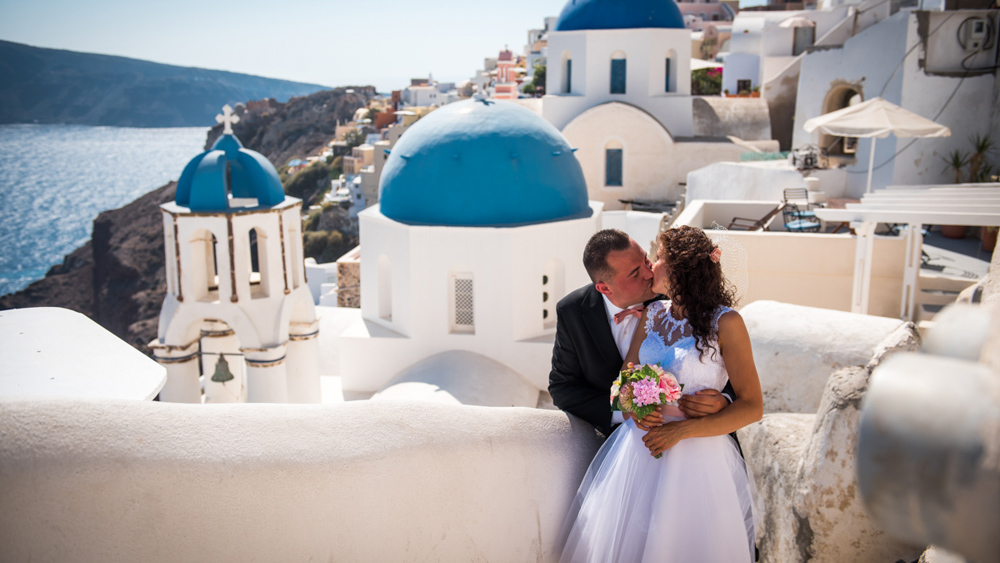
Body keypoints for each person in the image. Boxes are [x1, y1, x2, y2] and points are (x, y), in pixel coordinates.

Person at [558, 226, 764, 562]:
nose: (651, 267)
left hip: (699, 457)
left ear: (681, 269)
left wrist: (683, 430)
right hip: (637, 453)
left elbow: (753, 406)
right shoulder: (653, 314)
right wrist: (634, 409)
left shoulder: (727, 323)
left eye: (658, 258)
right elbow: (622, 382)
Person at [548, 229, 732, 437]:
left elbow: (727, 373)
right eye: (635, 273)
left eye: (646, 260)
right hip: (627, 446)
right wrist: (624, 411)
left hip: (703, 437)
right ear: (605, 289)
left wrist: (724, 401)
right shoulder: (572, 310)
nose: (649, 272)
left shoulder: (679, 298)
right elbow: (563, 388)